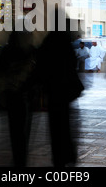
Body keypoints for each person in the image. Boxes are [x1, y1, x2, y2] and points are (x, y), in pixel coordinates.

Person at [34, 10, 84, 167]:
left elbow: (41, 65)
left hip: (54, 92)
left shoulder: (50, 40)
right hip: (66, 92)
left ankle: (60, 158)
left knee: (56, 127)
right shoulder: (64, 39)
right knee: (65, 125)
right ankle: (67, 156)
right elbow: (71, 64)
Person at [0, 31, 37, 166]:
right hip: (25, 95)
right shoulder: (31, 51)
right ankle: (21, 158)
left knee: (15, 130)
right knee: (24, 129)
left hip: (12, 95)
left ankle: (18, 157)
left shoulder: (8, 50)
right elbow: (37, 73)